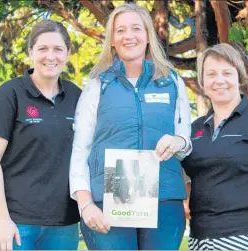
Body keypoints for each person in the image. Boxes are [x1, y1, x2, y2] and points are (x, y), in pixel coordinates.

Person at [69, 3, 192, 250]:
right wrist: (85, 203)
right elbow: (81, 149)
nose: (129, 36)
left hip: (164, 200)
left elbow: (185, 141)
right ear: (112, 40)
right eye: (120, 30)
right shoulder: (97, 85)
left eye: (136, 28)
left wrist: (178, 142)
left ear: (147, 35)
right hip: (107, 201)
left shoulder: (171, 81)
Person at [0, 20, 81, 250]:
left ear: (67, 53)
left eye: (58, 49)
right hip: (15, 224)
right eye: (43, 49)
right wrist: (3, 220)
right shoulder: (9, 94)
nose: (50, 56)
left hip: (63, 226)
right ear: (30, 52)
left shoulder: (77, 97)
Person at [182, 43, 248, 250]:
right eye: (211, 74)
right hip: (200, 238)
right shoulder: (194, 129)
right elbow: (187, 175)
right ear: (202, 81)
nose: (219, 80)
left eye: (227, 73)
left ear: (239, 77)